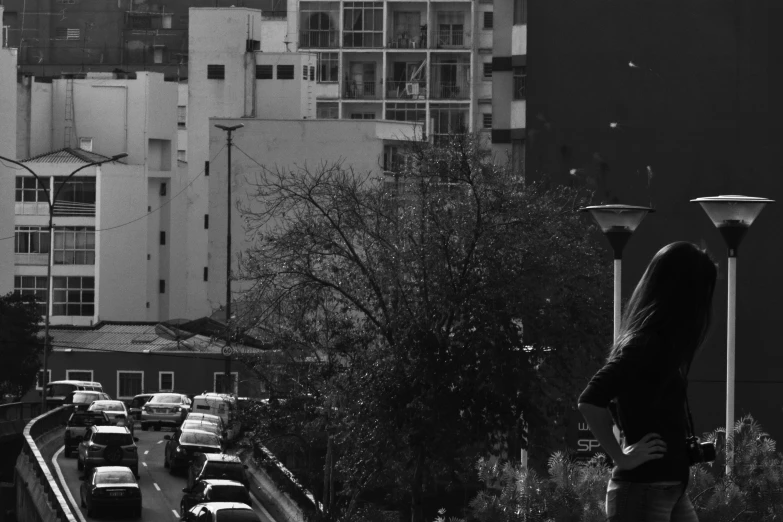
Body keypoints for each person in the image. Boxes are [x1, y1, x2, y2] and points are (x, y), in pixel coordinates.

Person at [578, 241, 718, 522]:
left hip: (668, 489)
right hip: (643, 490)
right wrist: (622, 457)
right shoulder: (646, 345)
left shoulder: (661, 345)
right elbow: (590, 400)